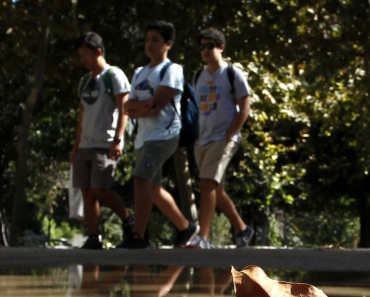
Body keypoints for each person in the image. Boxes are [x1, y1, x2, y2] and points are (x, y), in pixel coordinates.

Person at [121, 21, 197, 249]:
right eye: (147, 40)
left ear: (167, 44)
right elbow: (126, 107)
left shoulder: (172, 70)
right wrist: (141, 108)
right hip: (143, 137)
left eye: (155, 40)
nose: (150, 44)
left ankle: (138, 236)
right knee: (152, 188)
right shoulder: (139, 72)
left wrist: (139, 108)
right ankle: (185, 227)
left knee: (140, 178)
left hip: (164, 134)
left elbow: (157, 104)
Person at [185, 27, 254, 249]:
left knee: (206, 183)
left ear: (221, 47)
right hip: (202, 140)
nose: (205, 51)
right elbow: (196, 108)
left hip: (223, 139)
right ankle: (242, 229)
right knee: (216, 189)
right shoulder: (198, 76)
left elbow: (245, 107)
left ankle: (202, 238)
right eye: (202, 47)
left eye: (210, 46)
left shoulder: (233, 74)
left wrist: (230, 134)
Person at [71, 32, 133, 250]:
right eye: (80, 55)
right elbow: (82, 116)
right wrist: (75, 147)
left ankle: (128, 219)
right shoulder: (85, 82)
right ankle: (93, 237)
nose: (82, 60)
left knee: (100, 188)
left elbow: (125, 109)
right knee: (87, 191)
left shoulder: (114, 75)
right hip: (84, 144)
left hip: (105, 142)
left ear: (98, 52)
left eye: (85, 55)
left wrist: (118, 139)